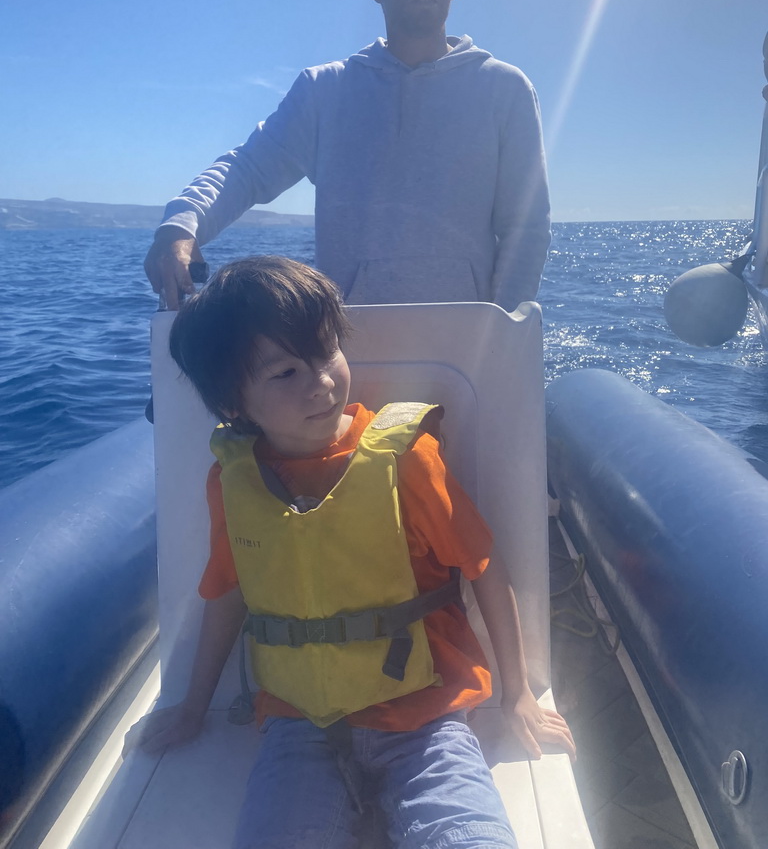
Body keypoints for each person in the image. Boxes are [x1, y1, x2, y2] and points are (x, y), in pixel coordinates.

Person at [133, 256, 574, 849]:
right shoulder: (231, 483)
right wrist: (192, 705)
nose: (320, 381)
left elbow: (484, 569)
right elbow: (228, 594)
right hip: (298, 722)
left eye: (325, 352)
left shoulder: (406, 460)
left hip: (426, 718)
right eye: (286, 373)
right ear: (234, 404)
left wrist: (517, 692)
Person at [144, 0, 551, 312]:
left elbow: (526, 229)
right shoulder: (324, 91)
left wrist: (499, 337)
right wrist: (181, 226)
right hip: (353, 354)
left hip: (467, 358)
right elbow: (248, 169)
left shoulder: (506, 89)